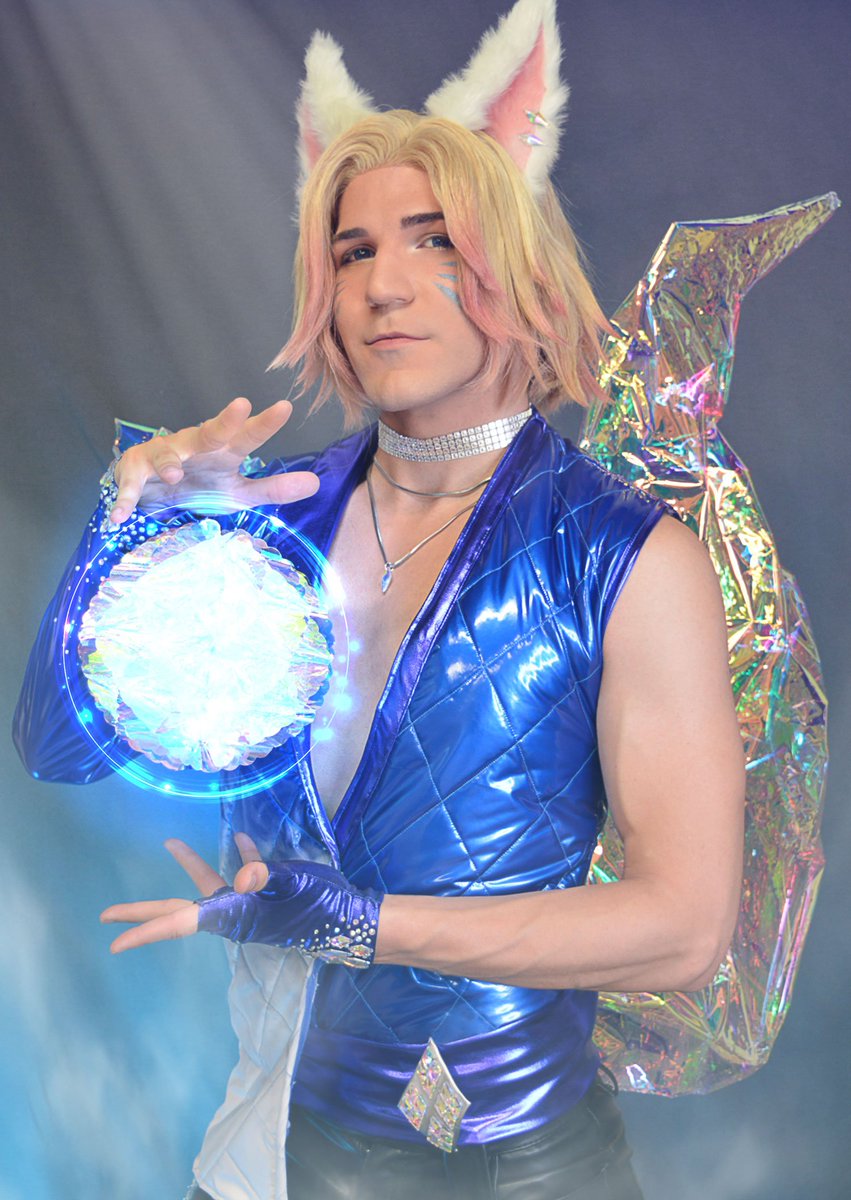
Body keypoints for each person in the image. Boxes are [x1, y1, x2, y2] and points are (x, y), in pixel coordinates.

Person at [13, 3, 745, 1198]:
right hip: (273, 1155)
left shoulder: (624, 557)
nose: (384, 285)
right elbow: (61, 747)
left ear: (513, 266)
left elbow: (683, 928)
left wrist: (360, 922)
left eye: (433, 240)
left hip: (524, 1168)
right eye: (352, 252)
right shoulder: (266, 527)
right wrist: (124, 533)